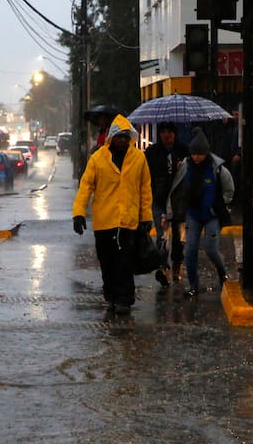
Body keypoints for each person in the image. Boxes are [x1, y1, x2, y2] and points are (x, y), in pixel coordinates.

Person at [72, 114, 153, 315]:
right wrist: (79, 213)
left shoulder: (139, 158)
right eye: (120, 137)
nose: (123, 141)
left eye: (126, 137)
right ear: (112, 138)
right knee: (107, 262)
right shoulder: (97, 159)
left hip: (128, 221)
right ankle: (111, 297)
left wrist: (146, 217)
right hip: (104, 222)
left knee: (124, 262)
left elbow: (145, 189)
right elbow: (86, 186)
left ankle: (125, 299)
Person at [167, 127, 234, 297]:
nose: (196, 157)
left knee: (211, 248)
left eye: (199, 154)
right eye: (193, 153)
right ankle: (193, 285)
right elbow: (176, 188)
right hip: (193, 215)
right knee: (190, 250)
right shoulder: (186, 166)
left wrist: (219, 205)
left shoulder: (217, 169)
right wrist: (172, 212)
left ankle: (222, 272)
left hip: (212, 215)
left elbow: (229, 190)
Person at [144, 121, 190, 287]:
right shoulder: (152, 152)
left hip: (179, 203)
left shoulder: (184, 151)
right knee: (162, 238)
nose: (166, 135)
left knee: (180, 239)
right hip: (160, 201)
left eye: (169, 131)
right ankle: (164, 267)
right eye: (163, 131)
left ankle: (178, 263)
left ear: (175, 133)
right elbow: (145, 176)